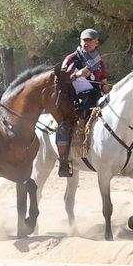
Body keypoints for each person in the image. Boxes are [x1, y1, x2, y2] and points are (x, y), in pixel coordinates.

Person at [56, 28, 109, 177]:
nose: (86, 43)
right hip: (74, 97)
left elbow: (103, 80)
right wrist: (77, 74)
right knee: (65, 125)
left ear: (96, 42)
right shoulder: (71, 58)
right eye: (84, 40)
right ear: (80, 41)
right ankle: (65, 160)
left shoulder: (99, 61)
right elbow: (60, 79)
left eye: (90, 40)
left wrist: (105, 86)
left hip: (96, 96)